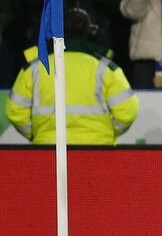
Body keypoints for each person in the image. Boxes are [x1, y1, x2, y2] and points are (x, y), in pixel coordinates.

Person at [5, 8, 139, 145]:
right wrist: (107, 133)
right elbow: (128, 111)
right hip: (97, 150)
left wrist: (37, 134)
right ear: (92, 33)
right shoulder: (105, 68)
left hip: (49, 149)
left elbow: (15, 111)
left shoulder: (34, 68)